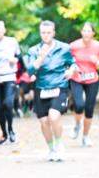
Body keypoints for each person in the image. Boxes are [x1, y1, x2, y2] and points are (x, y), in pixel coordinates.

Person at [25, 20, 76, 161]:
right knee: (44, 121)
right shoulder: (34, 50)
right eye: (43, 33)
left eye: (48, 32)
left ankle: (59, 146)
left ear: (53, 33)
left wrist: (71, 71)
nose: (46, 35)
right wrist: (41, 57)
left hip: (59, 85)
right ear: (40, 33)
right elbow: (29, 71)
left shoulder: (64, 48)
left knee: (54, 116)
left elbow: (72, 63)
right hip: (41, 88)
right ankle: (51, 149)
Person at [68, 22, 99, 147]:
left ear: (93, 33)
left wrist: (96, 62)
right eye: (84, 31)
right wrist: (73, 67)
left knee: (89, 109)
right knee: (79, 105)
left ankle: (85, 136)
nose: (86, 33)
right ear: (81, 32)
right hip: (77, 79)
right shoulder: (73, 46)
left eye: (89, 31)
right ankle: (77, 125)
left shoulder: (98, 46)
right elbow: (67, 61)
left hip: (92, 80)